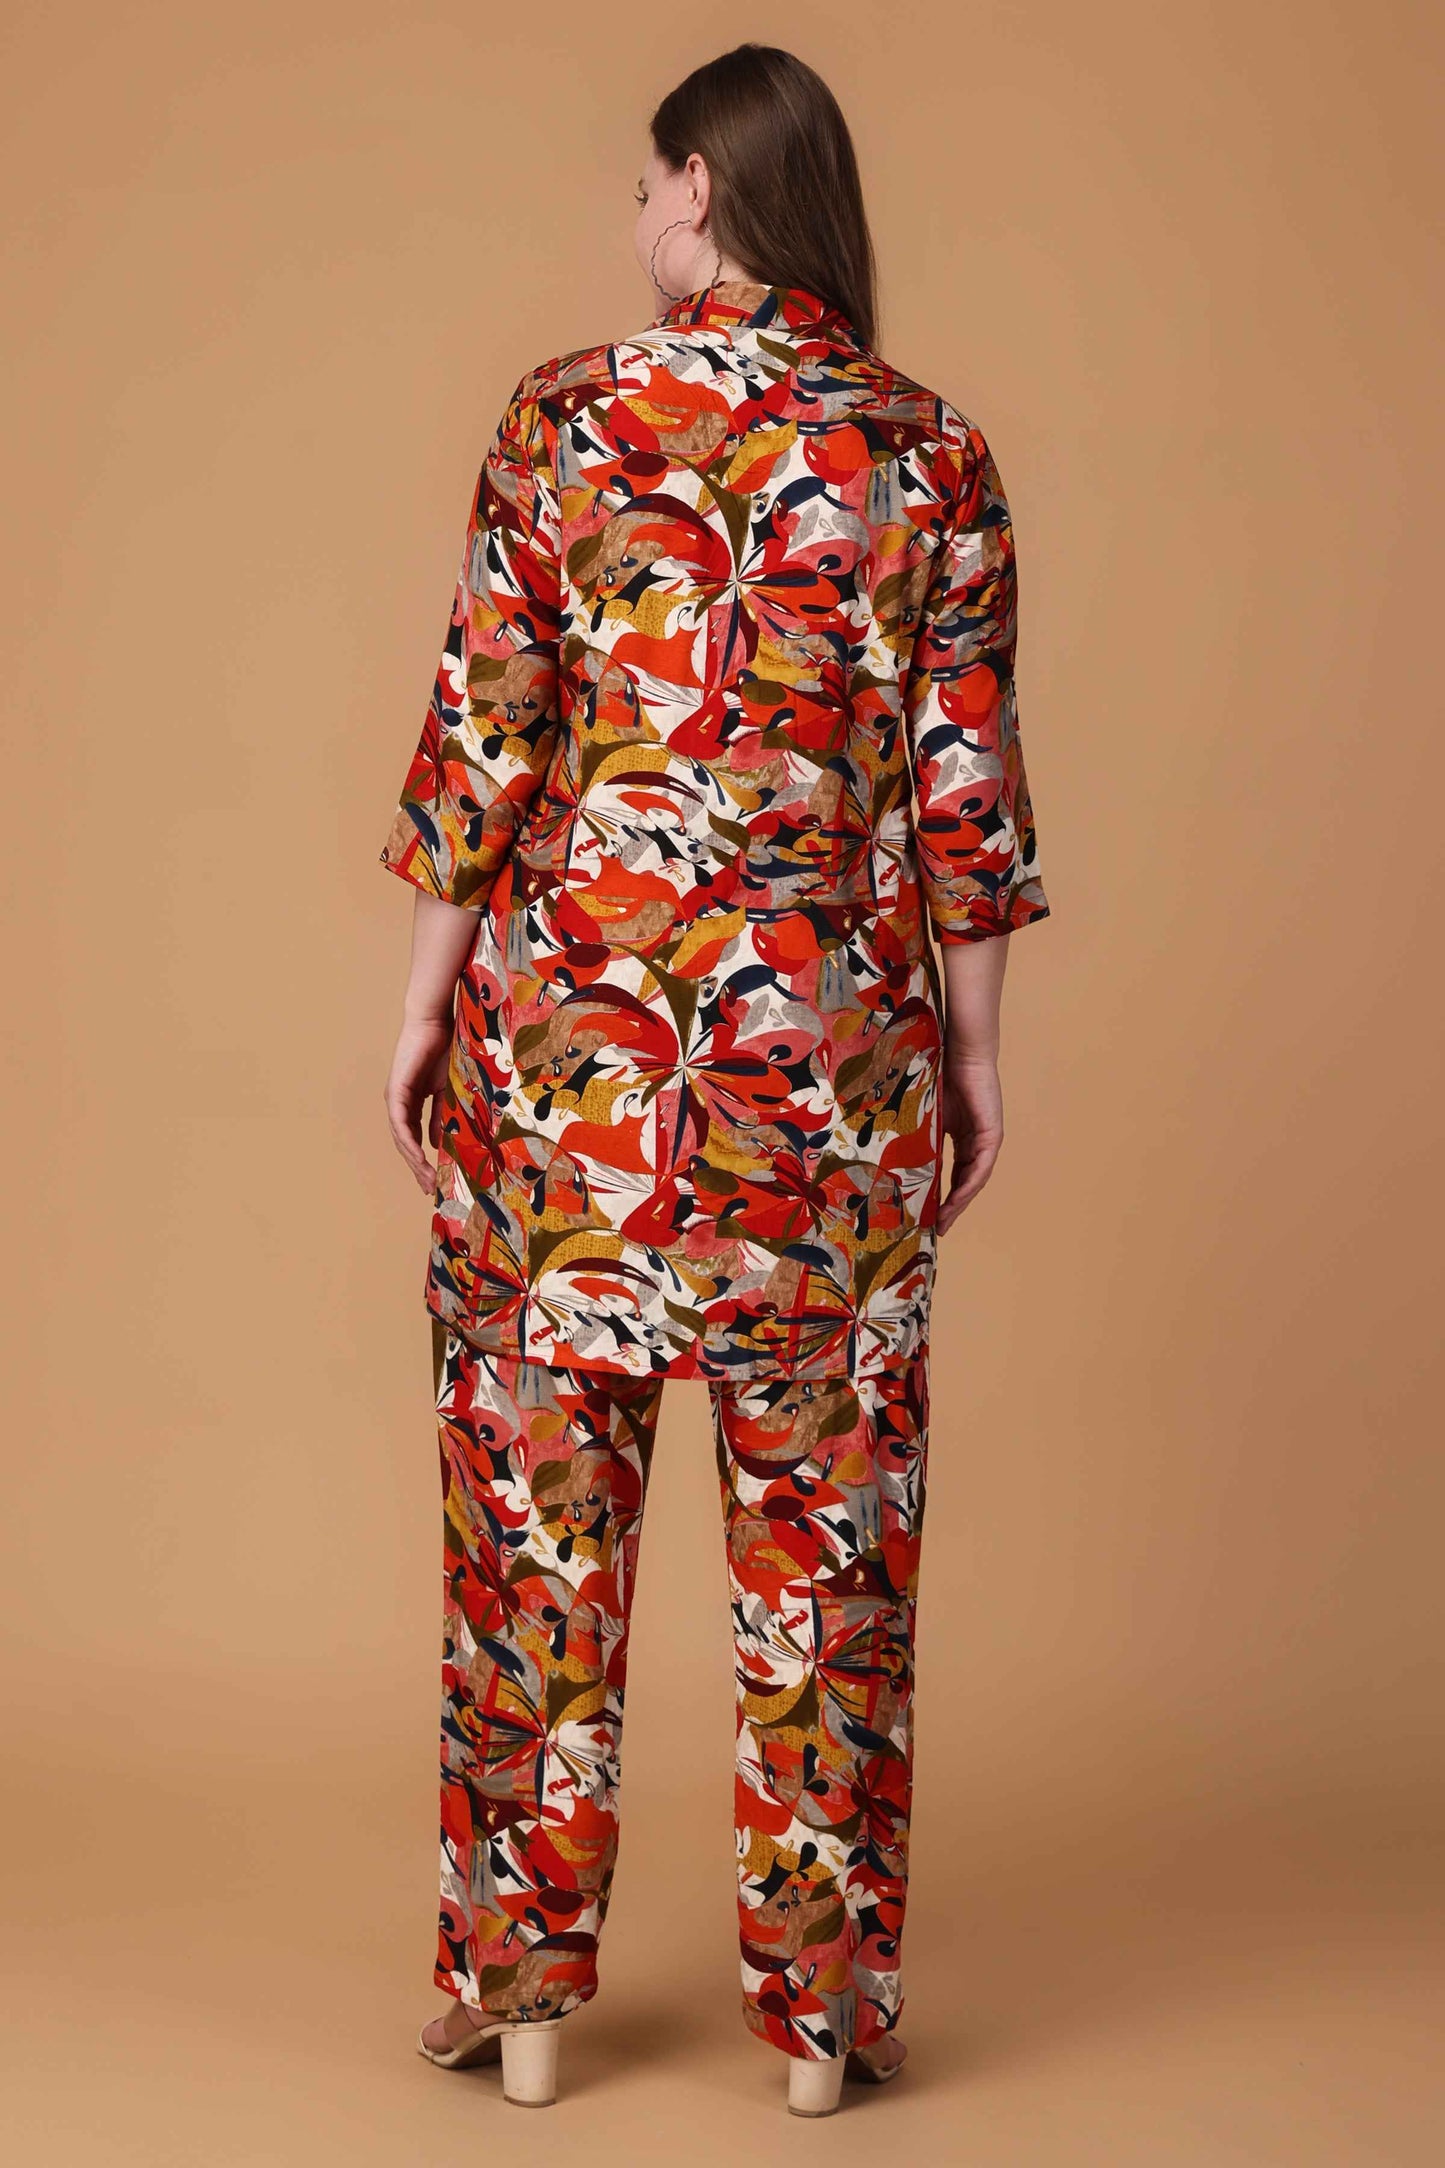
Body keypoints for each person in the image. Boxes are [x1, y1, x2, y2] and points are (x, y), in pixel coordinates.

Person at [378, 40, 1051, 2119]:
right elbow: (961, 800)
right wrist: (972, 1056)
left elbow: (488, 739)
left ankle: (521, 2010)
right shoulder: (930, 452)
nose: (633, 219)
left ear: (693, 186)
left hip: (567, 1087)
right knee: (829, 1577)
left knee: (534, 1563)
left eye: (643, 187)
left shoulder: (567, 417)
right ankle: (825, 2033)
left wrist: (423, 1003)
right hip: (824, 1102)